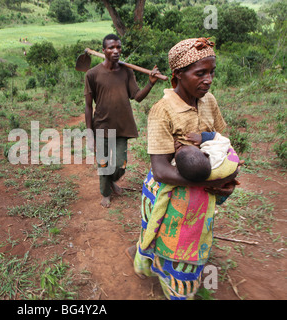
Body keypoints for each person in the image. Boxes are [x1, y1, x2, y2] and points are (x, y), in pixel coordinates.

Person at [125, 37, 241, 300]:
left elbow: (223, 140)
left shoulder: (209, 100)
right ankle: (176, 286)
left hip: (200, 191)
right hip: (171, 189)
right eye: (200, 73)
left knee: (187, 239)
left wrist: (229, 171)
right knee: (169, 242)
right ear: (178, 74)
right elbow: (161, 171)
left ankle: (155, 261)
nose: (209, 79)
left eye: (211, 72)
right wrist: (210, 182)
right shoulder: (162, 110)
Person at [84, 33, 162, 208]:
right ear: (103, 50)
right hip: (102, 127)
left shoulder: (127, 71)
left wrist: (150, 83)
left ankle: (111, 181)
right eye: (111, 47)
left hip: (122, 127)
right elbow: (88, 106)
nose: (116, 50)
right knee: (104, 163)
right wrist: (89, 133)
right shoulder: (92, 74)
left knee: (120, 164)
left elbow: (137, 97)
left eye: (118, 47)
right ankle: (105, 193)